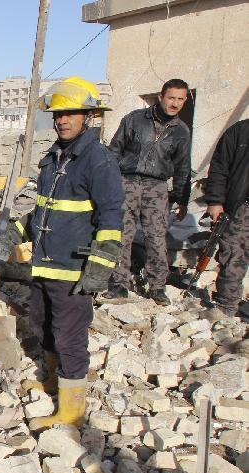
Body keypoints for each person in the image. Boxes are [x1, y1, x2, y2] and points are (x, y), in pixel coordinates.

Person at [1, 77, 124, 428]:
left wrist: (100, 266)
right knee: (42, 324)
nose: (62, 120)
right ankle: (54, 380)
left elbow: (112, 215)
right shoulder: (53, 158)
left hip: (73, 269)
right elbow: (43, 210)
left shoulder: (97, 160)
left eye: (70, 113)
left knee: (70, 336)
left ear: (89, 116)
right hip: (44, 266)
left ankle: (71, 410)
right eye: (58, 114)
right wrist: (12, 232)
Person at [107, 79, 192, 305]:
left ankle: (157, 287)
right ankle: (118, 285)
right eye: (171, 97)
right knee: (121, 234)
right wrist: (111, 183)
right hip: (127, 181)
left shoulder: (182, 131)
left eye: (180, 99)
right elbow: (114, 151)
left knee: (156, 238)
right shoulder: (134, 119)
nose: (175, 103)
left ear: (185, 100)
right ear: (161, 97)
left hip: (157, 187)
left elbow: (183, 166)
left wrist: (182, 198)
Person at [203, 118, 249, 317]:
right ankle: (226, 309)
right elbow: (219, 168)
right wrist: (215, 201)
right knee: (233, 255)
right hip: (242, 206)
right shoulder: (239, 131)